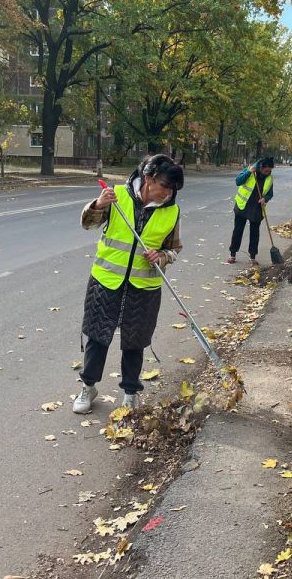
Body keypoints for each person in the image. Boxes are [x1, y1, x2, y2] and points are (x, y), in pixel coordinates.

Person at [73, 154, 184, 414]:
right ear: (148, 178)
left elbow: (175, 248)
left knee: (135, 341)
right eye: (164, 187)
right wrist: (98, 204)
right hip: (106, 280)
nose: (167, 194)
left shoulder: (172, 211)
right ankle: (88, 387)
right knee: (98, 337)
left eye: (172, 190)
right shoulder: (117, 196)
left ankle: (131, 393)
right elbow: (87, 223)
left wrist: (163, 256)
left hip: (143, 287)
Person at [227, 156, 275, 267]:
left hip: (257, 208)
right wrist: (248, 172)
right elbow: (238, 182)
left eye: (270, 171)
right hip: (242, 206)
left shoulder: (269, 178)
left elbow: (270, 193)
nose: (268, 173)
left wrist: (265, 199)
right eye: (266, 170)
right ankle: (233, 253)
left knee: (255, 233)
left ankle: (252, 256)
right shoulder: (250, 170)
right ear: (261, 167)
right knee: (238, 230)